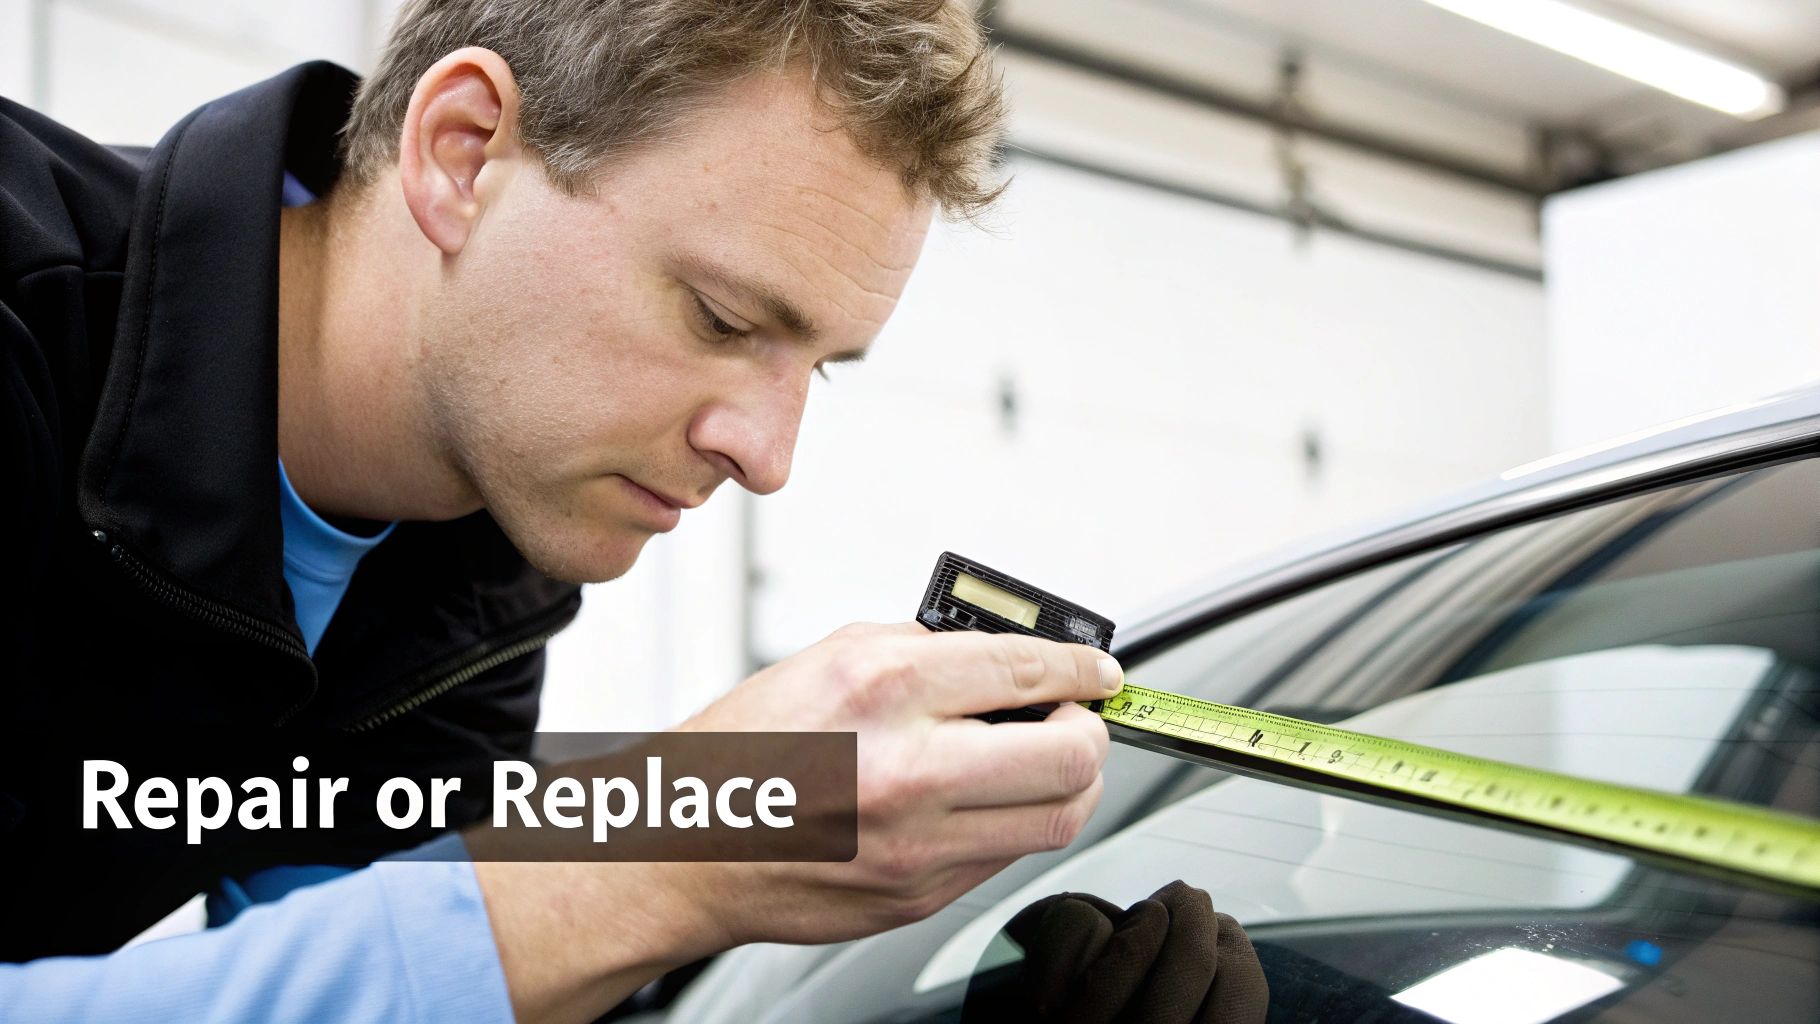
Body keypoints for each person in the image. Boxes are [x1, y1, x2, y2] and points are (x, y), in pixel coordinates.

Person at [0, 1, 1122, 1020]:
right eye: (722, 319)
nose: (767, 458)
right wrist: (666, 846)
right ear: (462, 153)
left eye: (817, 365)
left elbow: (394, 980)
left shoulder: (476, 556)